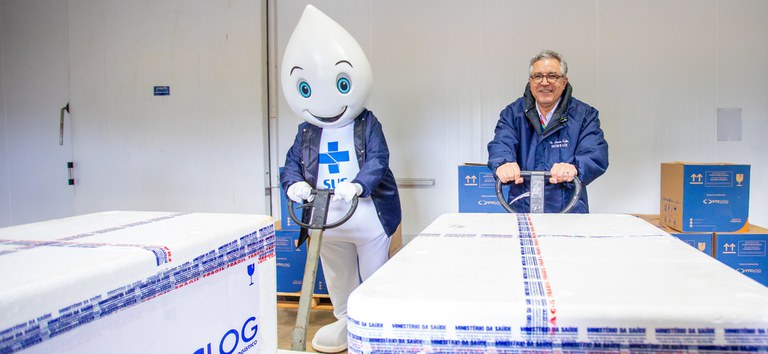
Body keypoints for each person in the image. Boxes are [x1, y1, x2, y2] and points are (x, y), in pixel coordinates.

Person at [279, 5, 401, 353]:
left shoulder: (366, 123)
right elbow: (290, 166)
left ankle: (375, 324)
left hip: (367, 217)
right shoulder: (306, 132)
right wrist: (294, 184)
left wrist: (359, 184)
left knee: (374, 274)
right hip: (325, 220)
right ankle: (347, 320)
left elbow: (379, 159)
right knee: (336, 275)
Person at [487, 50, 608, 213]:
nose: (544, 82)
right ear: (531, 82)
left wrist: (575, 168)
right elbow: (501, 143)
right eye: (538, 76)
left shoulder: (584, 115)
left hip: (569, 211)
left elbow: (595, 153)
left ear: (564, 82)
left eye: (552, 76)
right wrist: (504, 163)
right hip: (521, 209)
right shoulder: (512, 113)